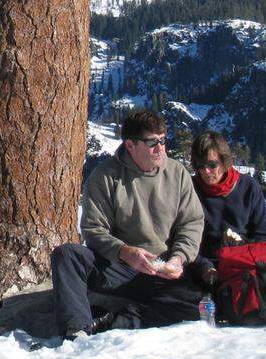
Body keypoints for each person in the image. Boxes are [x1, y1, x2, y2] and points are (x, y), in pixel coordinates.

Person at [51, 109, 205, 339]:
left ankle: (112, 322)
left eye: (163, 141)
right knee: (67, 255)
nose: (160, 148)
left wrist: (179, 257)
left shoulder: (176, 173)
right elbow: (93, 229)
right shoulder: (106, 176)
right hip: (119, 266)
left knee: (192, 307)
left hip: (161, 267)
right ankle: (77, 329)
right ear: (131, 146)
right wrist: (124, 252)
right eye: (152, 142)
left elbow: (191, 222)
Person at [189, 130, 266, 287]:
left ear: (224, 161)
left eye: (212, 164)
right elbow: (183, 237)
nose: (206, 171)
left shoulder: (248, 187)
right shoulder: (190, 189)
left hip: (244, 268)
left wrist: (241, 251)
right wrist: (204, 267)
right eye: (200, 165)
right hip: (202, 270)